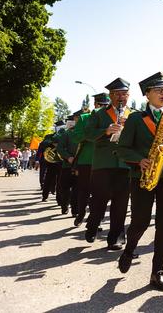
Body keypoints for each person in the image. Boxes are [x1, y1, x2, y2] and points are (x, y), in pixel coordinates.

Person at [117, 71, 163, 291]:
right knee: (140, 221)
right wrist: (140, 160)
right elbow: (122, 149)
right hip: (143, 176)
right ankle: (129, 249)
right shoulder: (136, 119)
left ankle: (158, 270)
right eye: (158, 90)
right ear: (147, 94)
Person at [83, 78, 132, 249]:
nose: (121, 97)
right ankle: (92, 226)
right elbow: (87, 134)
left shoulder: (134, 114)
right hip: (103, 164)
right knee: (99, 200)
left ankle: (116, 237)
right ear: (110, 95)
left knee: (121, 203)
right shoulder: (99, 114)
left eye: (124, 94)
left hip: (126, 164)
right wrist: (105, 131)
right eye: (117, 94)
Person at [73, 92, 110, 227]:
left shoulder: (111, 117)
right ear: (95, 104)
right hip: (87, 160)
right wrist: (93, 135)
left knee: (100, 193)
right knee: (84, 190)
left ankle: (96, 220)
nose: (102, 107)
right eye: (100, 105)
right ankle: (81, 213)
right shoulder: (84, 118)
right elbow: (76, 137)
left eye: (106, 105)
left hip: (104, 160)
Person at [56, 113, 82, 216]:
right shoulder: (68, 133)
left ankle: (75, 211)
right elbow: (60, 148)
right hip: (68, 165)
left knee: (77, 189)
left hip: (81, 166)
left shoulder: (86, 133)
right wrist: (68, 157)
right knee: (65, 188)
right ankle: (64, 206)